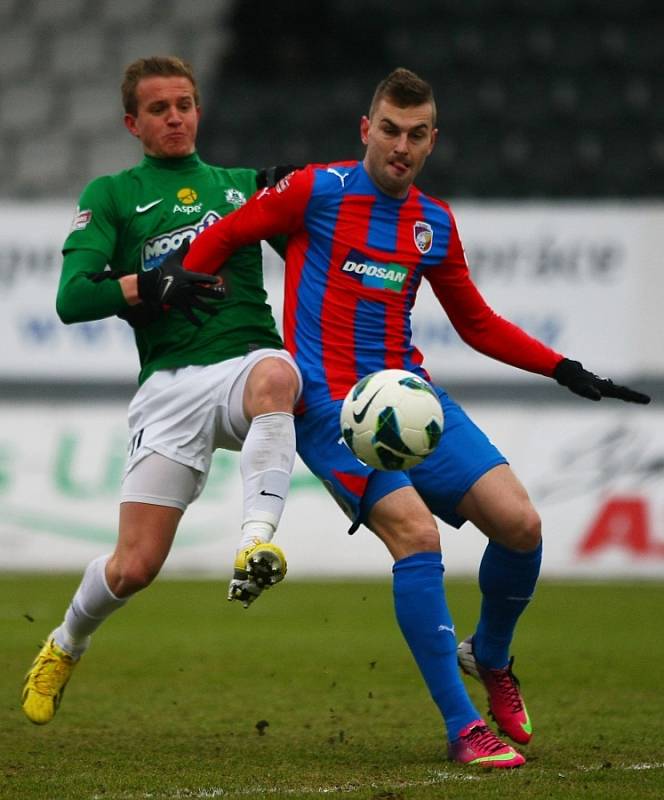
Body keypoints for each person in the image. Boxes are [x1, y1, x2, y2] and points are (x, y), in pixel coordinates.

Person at [181, 68, 651, 768]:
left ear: (433, 141)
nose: (401, 145)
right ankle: (464, 728)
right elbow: (221, 238)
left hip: (409, 402)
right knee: (416, 536)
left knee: (522, 526)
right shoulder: (318, 191)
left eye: (417, 134)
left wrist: (561, 368)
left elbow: (477, 322)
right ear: (366, 130)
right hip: (331, 413)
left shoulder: (432, 223)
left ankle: (488, 655)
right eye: (391, 130)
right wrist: (199, 301)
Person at [21, 56, 302, 726]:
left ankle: (255, 542)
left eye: (184, 104)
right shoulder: (114, 194)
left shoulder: (242, 188)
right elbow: (71, 299)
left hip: (243, 367)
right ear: (132, 122)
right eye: (158, 109)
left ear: (199, 111)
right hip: (169, 390)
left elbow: (322, 231)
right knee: (135, 567)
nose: (174, 117)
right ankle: (65, 643)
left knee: (280, 377)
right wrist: (147, 285)